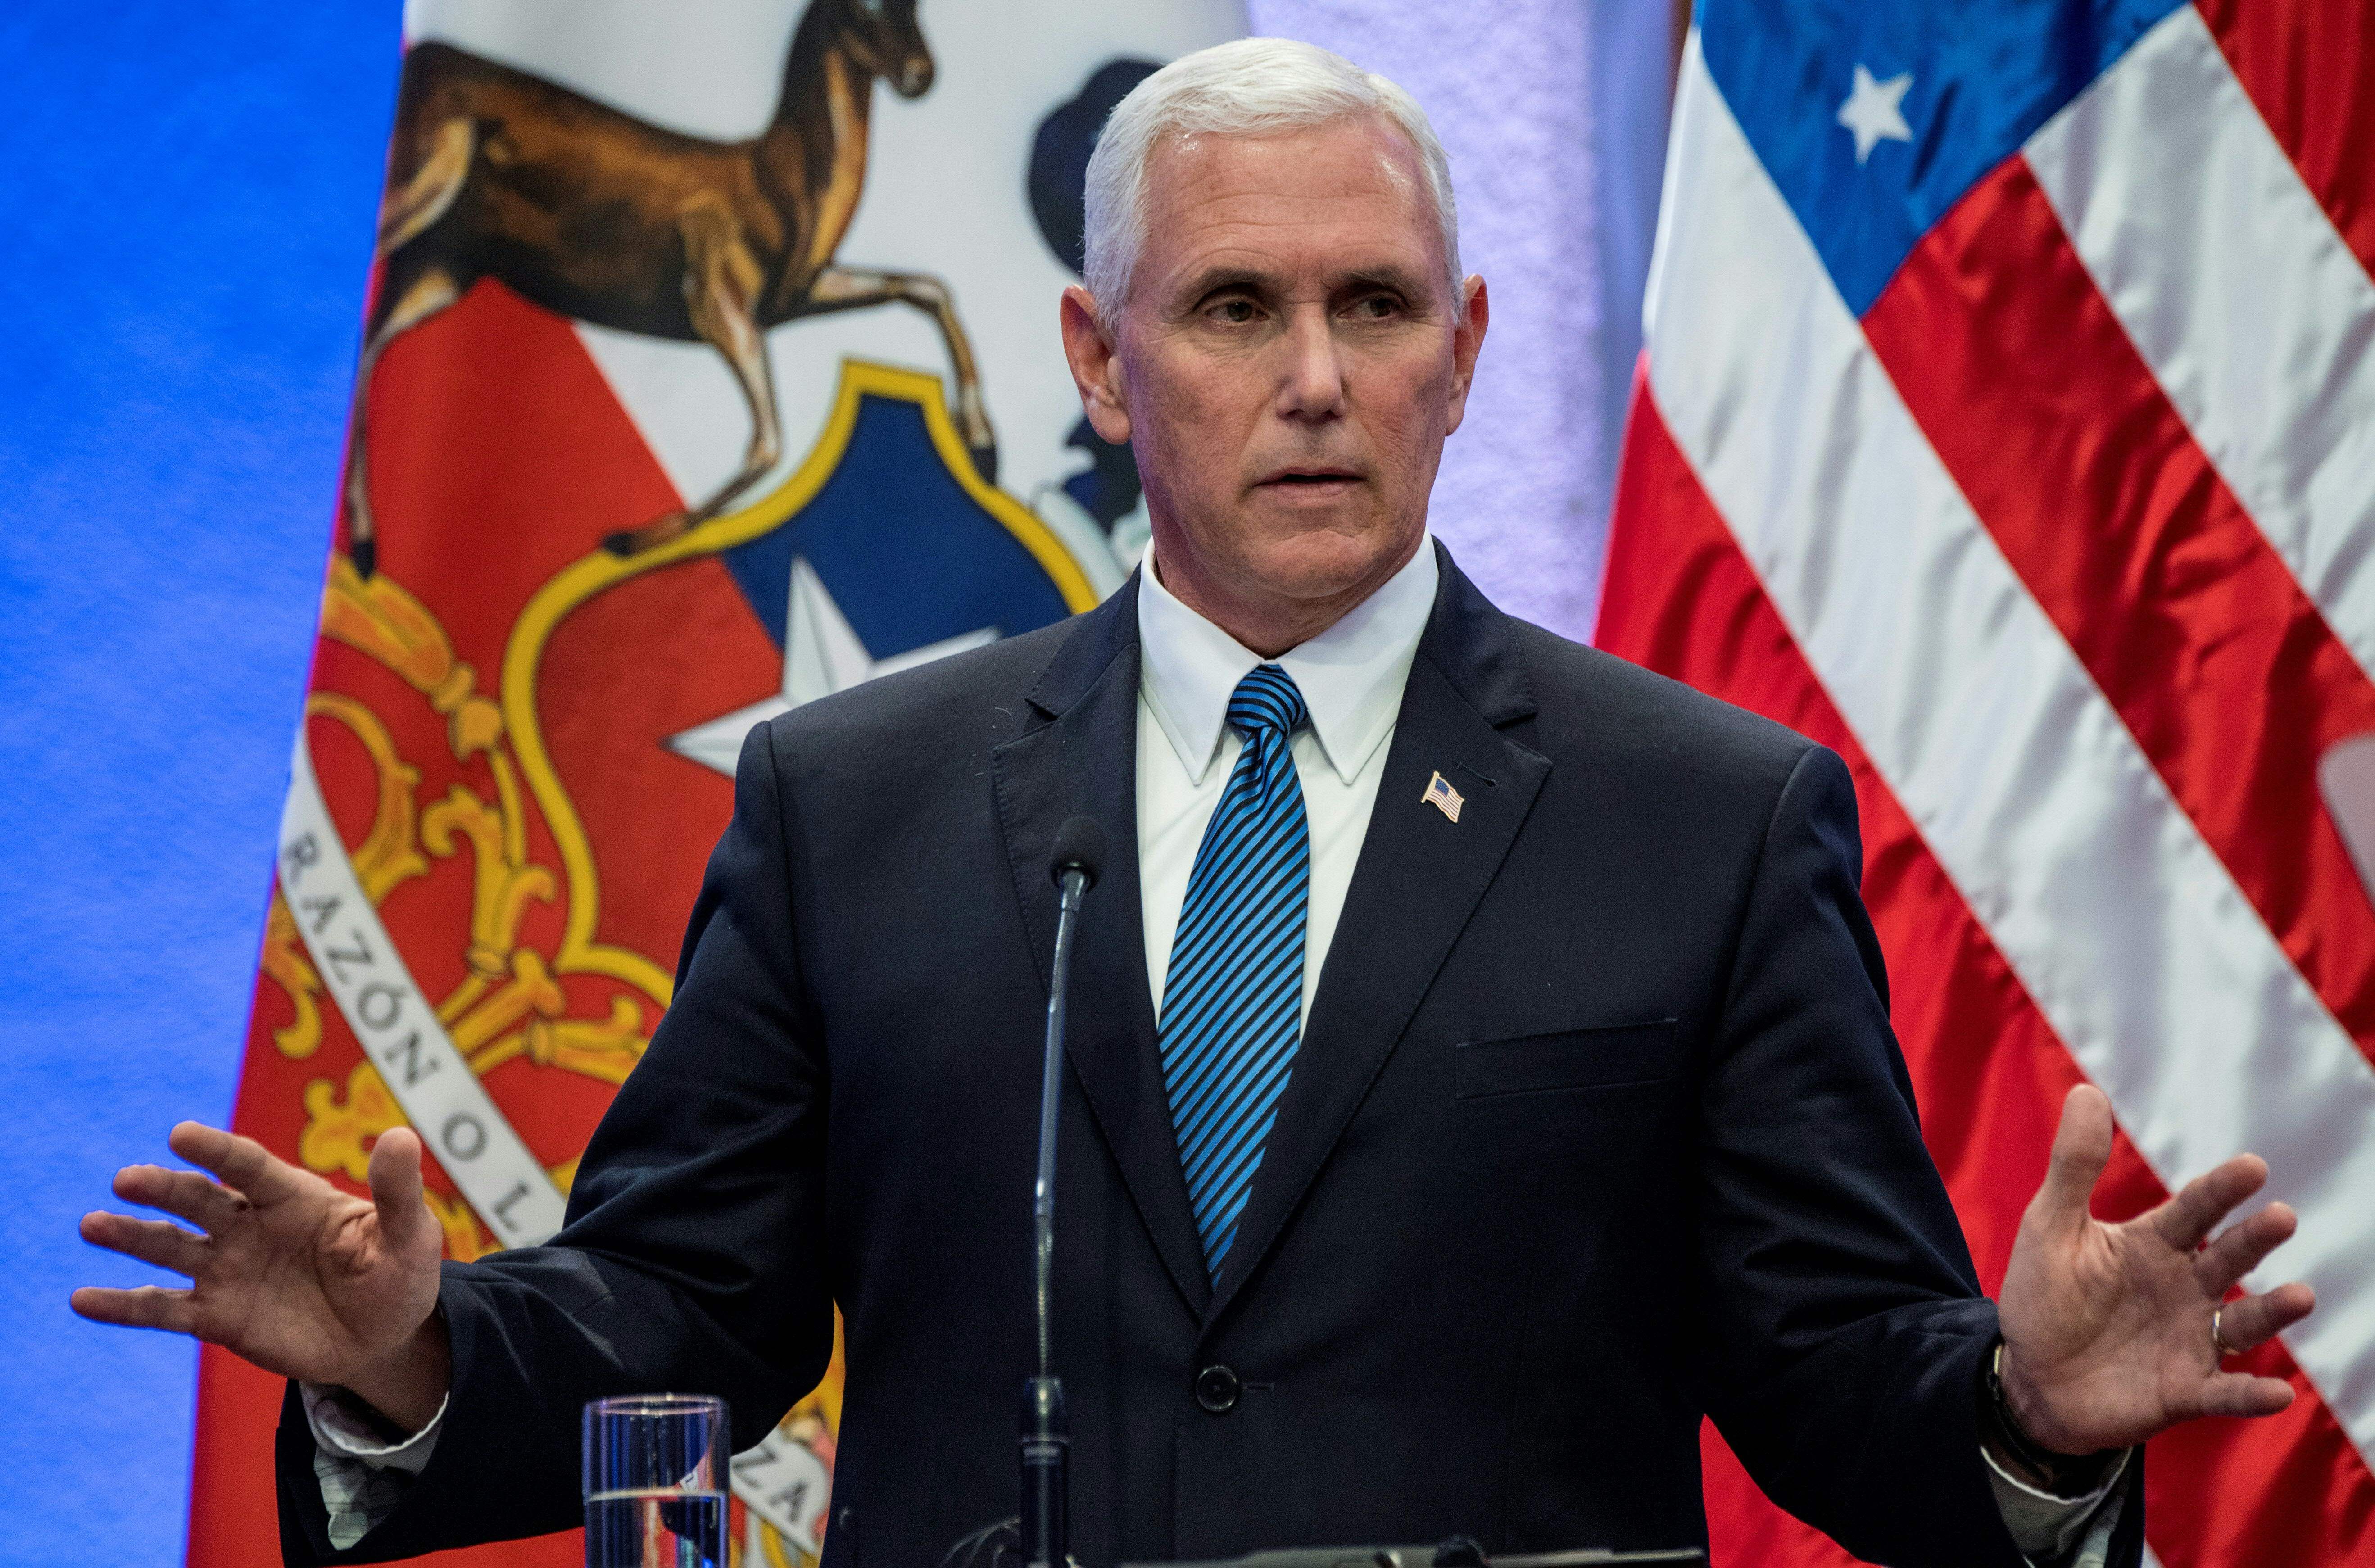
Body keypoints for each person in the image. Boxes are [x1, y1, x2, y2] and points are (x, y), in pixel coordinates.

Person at [75, 38, 2315, 1568]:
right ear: (1097, 356)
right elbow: (687, 1305)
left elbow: (1832, 1375)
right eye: (1236, 305)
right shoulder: (852, 798)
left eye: (1376, 305)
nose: (1317, 376)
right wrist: (410, 1357)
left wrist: (2023, 1412)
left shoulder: (1704, 815)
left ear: (1463, 351)